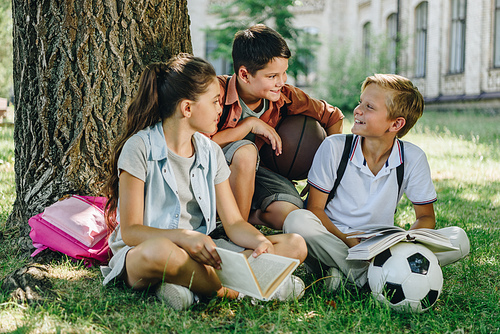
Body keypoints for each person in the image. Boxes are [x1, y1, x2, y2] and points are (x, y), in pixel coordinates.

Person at [101, 53, 307, 310]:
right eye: (215, 102)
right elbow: (131, 232)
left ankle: (184, 286)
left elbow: (233, 223)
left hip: (203, 254)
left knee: (295, 245)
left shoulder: (210, 152)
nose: (220, 109)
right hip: (145, 253)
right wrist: (184, 238)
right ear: (187, 108)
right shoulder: (139, 147)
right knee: (163, 253)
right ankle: (232, 292)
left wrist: (259, 241)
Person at [283, 74, 470, 291]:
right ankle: (372, 279)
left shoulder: (412, 157)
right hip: (333, 239)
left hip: (382, 246)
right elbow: (315, 209)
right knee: (297, 220)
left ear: (396, 123)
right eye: (360, 102)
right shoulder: (334, 147)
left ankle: (345, 276)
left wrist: (403, 244)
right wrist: (348, 241)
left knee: (459, 238)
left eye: (369, 107)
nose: (358, 110)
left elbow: (426, 217)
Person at [210, 24, 344, 230]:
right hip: (213, 173)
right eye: (272, 76)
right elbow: (193, 143)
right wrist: (249, 125)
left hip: (257, 174)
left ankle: (239, 216)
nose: (281, 81)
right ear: (244, 75)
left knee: (291, 213)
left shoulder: (285, 97)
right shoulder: (214, 93)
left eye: (284, 73)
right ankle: (236, 230)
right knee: (246, 152)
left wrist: (325, 172)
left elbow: (333, 117)